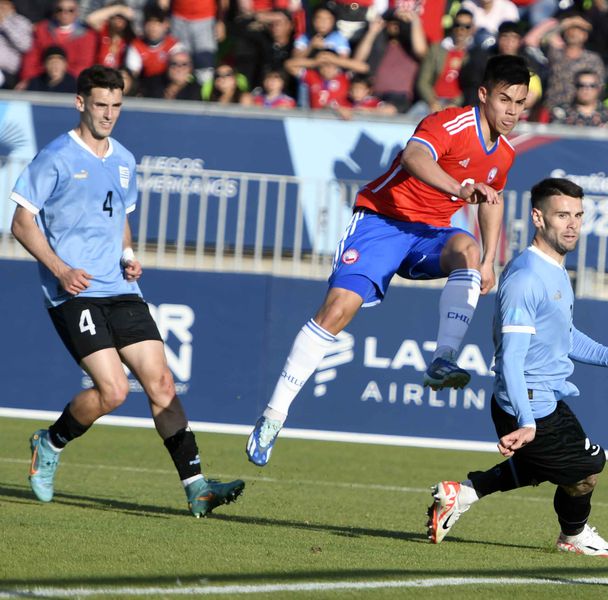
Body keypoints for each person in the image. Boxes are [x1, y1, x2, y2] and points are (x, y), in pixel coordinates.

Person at [245, 55, 531, 467]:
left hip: (428, 235)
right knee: (338, 310)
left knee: (466, 250)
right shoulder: (448, 122)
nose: (512, 111)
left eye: (520, 103)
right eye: (505, 99)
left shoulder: (504, 152)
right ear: (484, 94)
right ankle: (273, 416)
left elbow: (491, 199)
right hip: (381, 223)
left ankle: (442, 360)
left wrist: (488, 260)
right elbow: (414, 158)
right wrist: (458, 187)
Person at [9, 65, 244, 517]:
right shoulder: (56, 156)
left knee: (162, 383)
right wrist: (59, 268)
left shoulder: (123, 158)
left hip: (121, 288)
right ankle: (50, 441)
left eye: (116, 106)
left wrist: (128, 254)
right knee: (114, 391)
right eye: (101, 105)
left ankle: (197, 487)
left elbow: (119, 217)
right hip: (74, 292)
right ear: (80, 103)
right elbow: (21, 222)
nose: (109, 114)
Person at [426, 177, 608, 554]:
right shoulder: (527, 277)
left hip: (542, 399)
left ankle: (461, 494)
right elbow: (511, 357)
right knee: (587, 469)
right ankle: (573, 537)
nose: (573, 224)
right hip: (526, 403)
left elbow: (564, 335)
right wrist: (527, 422)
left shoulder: (553, 269)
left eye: (578, 215)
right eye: (562, 215)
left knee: (556, 466)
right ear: (538, 218)